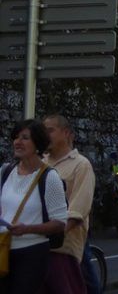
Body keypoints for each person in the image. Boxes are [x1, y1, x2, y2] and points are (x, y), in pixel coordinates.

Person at [0, 119, 68, 294]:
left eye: (24, 138)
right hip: (3, 248)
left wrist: (27, 229)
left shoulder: (50, 177)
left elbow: (60, 223)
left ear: (37, 144)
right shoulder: (5, 171)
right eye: (16, 137)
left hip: (32, 254)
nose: (17, 142)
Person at [42, 114, 97, 294]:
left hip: (65, 247)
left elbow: (78, 210)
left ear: (66, 133)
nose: (45, 135)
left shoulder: (81, 166)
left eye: (50, 130)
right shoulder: (39, 163)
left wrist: (52, 233)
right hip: (39, 246)